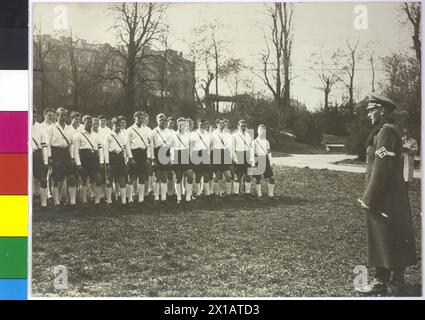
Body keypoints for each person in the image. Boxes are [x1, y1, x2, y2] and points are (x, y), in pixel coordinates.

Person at [356, 94, 417, 295]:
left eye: (371, 110)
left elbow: (381, 169)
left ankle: (381, 282)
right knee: (392, 236)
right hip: (389, 196)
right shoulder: (384, 131)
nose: (368, 115)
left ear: (381, 110)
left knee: (382, 236)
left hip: (384, 198)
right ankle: (396, 281)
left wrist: (369, 198)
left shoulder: (386, 132)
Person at [45, 107, 77, 208]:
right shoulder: (51, 128)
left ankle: (72, 202)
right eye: (61, 115)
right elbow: (48, 144)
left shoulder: (70, 128)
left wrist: (72, 157)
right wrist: (49, 156)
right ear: (57, 116)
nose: (63, 117)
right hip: (56, 153)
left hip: (66, 153)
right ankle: (56, 201)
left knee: (71, 177)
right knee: (56, 179)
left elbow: (71, 144)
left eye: (64, 115)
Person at [74, 115, 105, 206]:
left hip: (94, 158)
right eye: (88, 122)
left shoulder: (96, 135)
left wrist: (101, 161)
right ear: (83, 123)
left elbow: (100, 149)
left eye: (91, 122)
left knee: (98, 178)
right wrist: (78, 163)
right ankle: (84, 200)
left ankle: (97, 200)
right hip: (84, 157)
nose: (90, 124)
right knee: (83, 179)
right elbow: (76, 151)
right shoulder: (78, 135)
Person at [125, 111, 153, 205]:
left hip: (143, 154)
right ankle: (130, 198)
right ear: (135, 118)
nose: (140, 120)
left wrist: (148, 157)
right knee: (132, 177)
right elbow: (127, 145)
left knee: (142, 176)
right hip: (134, 153)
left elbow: (149, 145)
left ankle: (141, 198)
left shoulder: (147, 130)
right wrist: (130, 157)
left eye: (142, 118)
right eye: (138, 118)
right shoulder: (130, 129)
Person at [104, 117, 128, 206]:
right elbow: (106, 150)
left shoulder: (122, 135)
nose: (118, 127)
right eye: (116, 125)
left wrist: (125, 161)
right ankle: (109, 200)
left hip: (120, 158)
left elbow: (124, 149)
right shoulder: (108, 136)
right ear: (112, 125)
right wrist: (107, 163)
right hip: (112, 157)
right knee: (110, 179)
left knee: (122, 179)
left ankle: (123, 200)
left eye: (119, 125)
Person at [171, 117, 194, 204]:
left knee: (190, 177)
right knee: (178, 178)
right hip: (176, 156)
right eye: (180, 124)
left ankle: (188, 196)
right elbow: (170, 147)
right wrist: (172, 159)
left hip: (186, 155)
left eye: (184, 124)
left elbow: (191, 146)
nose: (182, 126)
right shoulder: (173, 134)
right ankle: (179, 197)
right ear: (178, 125)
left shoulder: (189, 134)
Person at [151, 113, 173, 203]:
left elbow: (171, 146)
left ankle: (163, 197)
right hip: (157, 152)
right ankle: (156, 196)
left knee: (164, 176)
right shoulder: (153, 131)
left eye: (164, 120)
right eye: (160, 120)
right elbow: (151, 146)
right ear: (157, 121)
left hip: (166, 153)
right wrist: (152, 159)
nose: (162, 121)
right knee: (157, 176)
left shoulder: (169, 132)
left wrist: (171, 158)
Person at [210, 118, 233, 198]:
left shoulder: (227, 134)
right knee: (217, 176)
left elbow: (229, 146)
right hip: (216, 153)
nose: (221, 124)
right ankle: (216, 194)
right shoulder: (213, 133)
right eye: (220, 123)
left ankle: (228, 194)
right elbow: (210, 145)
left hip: (225, 154)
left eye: (223, 123)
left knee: (229, 176)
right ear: (216, 124)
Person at [252, 124, 275, 199]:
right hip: (257, 159)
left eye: (264, 130)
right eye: (261, 130)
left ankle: (271, 195)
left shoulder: (267, 142)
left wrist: (271, 162)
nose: (262, 132)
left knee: (271, 178)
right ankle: (259, 194)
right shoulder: (254, 142)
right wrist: (253, 163)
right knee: (258, 178)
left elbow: (269, 153)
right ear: (258, 131)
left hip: (265, 160)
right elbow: (252, 153)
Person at [32, 108, 49, 209]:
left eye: (34, 116)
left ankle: (44, 204)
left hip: (37, 156)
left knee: (43, 180)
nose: (32, 118)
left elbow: (44, 147)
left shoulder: (40, 128)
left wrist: (45, 161)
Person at [232, 119, 253, 197]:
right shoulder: (234, 135)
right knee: (238, 176)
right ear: (238, 126)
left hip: (247, 156)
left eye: (244, 126)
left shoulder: (248, 135)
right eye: (241, 126)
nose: (243, 127)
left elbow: (251, 147)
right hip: (239, 155)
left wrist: (251, 159)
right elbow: (232, 149)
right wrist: (235, 159)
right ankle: (236, 193)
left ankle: (247, 193)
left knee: (248, 175)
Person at [191, 119, 212, 198]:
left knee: (206, 175)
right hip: (197, 154)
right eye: (201, 124)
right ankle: (198, 193)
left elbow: (209, 147)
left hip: (205, 154)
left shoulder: (208, 134)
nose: (202, 126)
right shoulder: (194, 134)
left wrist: (208, 157)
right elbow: (192, 147)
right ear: (197, 125)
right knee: (198, 175)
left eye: (203, 124)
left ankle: (207, 193)